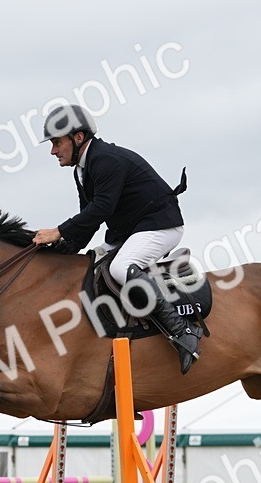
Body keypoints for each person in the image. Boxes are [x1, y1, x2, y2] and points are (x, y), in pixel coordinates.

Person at [32, 104, 199, 374]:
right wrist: (59, 252)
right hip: (132, 231)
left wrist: (59, 231)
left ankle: (183, 332)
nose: (53, 151)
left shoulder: (105, 159)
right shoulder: (83, 169)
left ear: (77, 137)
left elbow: (102, 209)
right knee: (90, 265)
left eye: (56, 142)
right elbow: (88, 220)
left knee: (120, 268)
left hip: (160, 226)